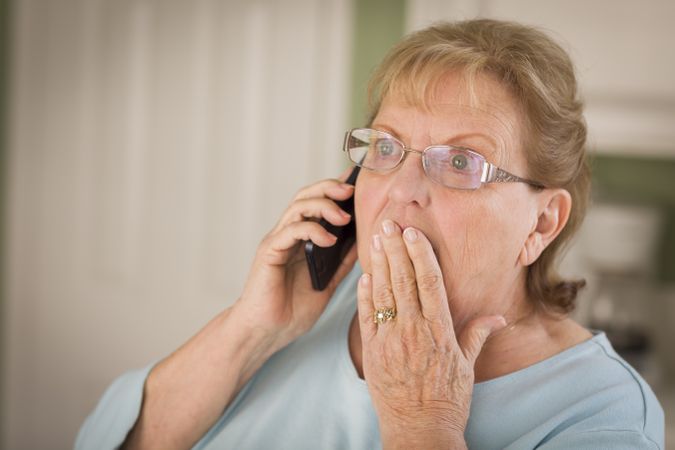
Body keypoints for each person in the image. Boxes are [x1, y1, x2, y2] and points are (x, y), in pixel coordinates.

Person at [76, 19, 664, 450]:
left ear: (541, 223)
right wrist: (251, 330)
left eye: (460, 162)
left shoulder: (603, 414)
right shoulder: (320, 300)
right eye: (386, 147)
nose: (400, 188)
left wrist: (421, 423)